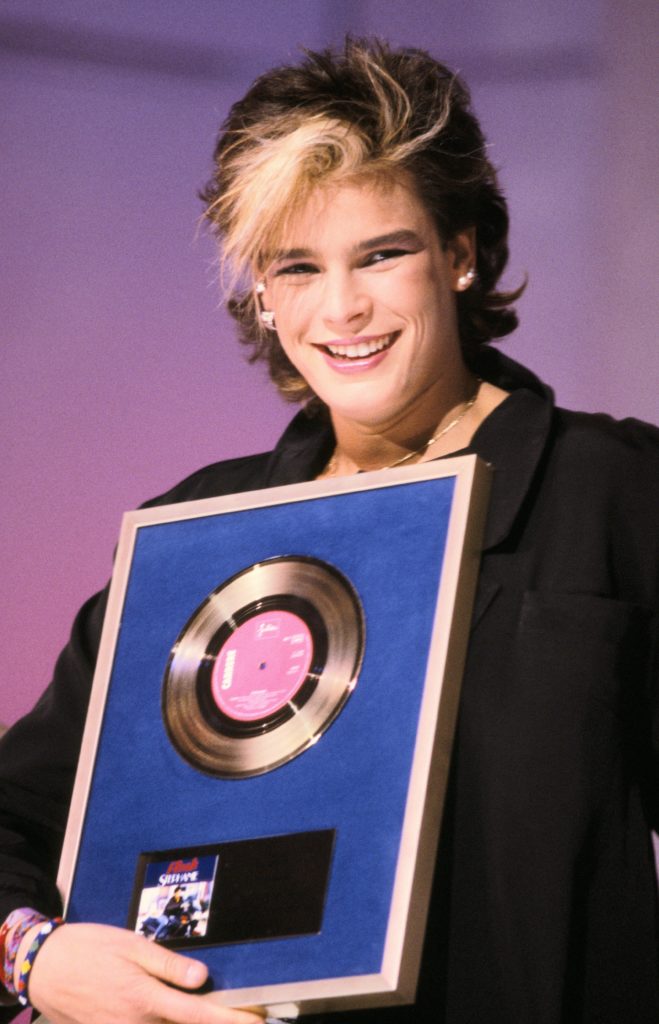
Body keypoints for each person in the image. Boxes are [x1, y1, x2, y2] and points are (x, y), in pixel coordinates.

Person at [0, 37, 657, 1024]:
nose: (342, 307)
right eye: (296, 267)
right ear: (261, 296)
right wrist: (35, 959)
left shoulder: (610, 490)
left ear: (460, 253)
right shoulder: (193, 538)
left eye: (381, 253)